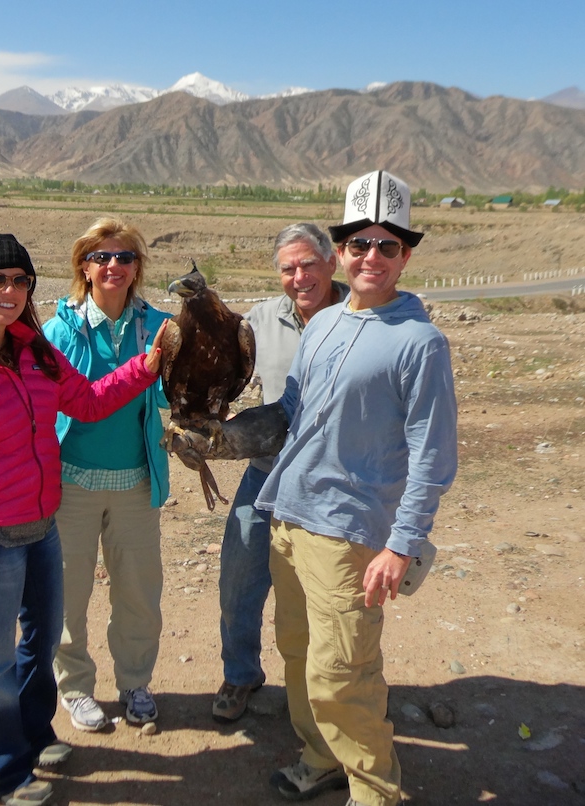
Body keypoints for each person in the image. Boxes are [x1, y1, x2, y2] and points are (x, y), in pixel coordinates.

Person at [170, 170, 457, 806]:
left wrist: (402, 544)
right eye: (360, 243)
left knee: (343, 674)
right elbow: (287, 415)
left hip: (348, 532)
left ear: (406, 256)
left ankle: (376, 791)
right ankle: (322, 757)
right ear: (343, 252)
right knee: (298, 653)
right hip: (288, 517)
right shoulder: (324, 326)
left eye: (387, 245)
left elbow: (434, 457)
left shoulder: (420, 343)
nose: (372, 256)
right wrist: (220, 439)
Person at [0, 232, 165, 806]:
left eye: (19, 281)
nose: (9, 291)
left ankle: (31, 733)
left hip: (43, 527)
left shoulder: (38, 354)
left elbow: (88, 402)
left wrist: (145, 368)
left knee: (42, 641)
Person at [213, 223, 349, 723]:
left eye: (308, 264)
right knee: (238, 581)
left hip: (333, 483)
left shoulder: (360, 316)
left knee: (324, 595)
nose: (299, 277)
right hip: (265, 475)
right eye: (288, 269)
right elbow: (226, 375)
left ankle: (322, 692)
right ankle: (240, 674)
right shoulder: (259, 321)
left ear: (331, 261)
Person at [43, 217, 172, 731]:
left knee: (138, 592)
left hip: (135, 481)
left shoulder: (160, 328)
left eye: (125, 257)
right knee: (67, 595)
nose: (114, 265)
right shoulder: (58, 331)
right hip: (69, 483)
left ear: (137, 267)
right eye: (102, 257)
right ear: (84, 267)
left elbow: (173, 395)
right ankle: (75, 688)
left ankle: (135, 682)